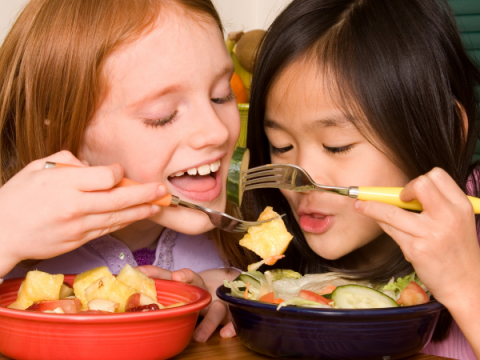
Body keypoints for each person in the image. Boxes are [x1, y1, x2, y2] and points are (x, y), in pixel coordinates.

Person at [0, 0, 254, 342]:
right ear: (61, 121)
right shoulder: (12, 233)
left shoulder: (242, 235)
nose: (218, 132)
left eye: (221, 96)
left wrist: (238, 290)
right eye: (162, 115)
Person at [243, 0, 480, 358]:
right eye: (282, 145)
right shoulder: (274, 251)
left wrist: (466, 285)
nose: (300, 181)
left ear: (442, 128)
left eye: (336, 147)